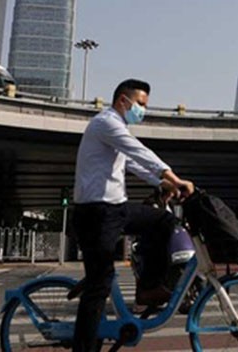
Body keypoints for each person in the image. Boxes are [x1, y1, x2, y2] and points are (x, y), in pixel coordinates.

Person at [72, 79, 194, 352]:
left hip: (115, 210)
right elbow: (139, 151)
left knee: (163, 221)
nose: (142, 110)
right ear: (123, 101)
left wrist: (162, 184)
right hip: (96, 214)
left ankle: (149, 287)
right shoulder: (107, 123)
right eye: (140, 104)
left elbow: (134, 164)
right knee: (98, 287)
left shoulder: (116, 130)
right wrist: (173, 176)